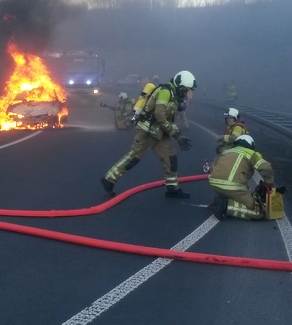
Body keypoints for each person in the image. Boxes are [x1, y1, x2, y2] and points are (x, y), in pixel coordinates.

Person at [100, 70, 196, 198]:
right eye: (184, 90)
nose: (185, 94)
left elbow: (168, 120)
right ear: (179, 86)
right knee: (134, 157)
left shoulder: (173, 97)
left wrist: (178, 135)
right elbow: (159, 116)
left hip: (159, 133)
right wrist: (176, 135)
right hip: (147, 132)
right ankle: (109, 179)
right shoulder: (165, 92)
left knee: (171, 158)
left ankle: (172, 187)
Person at [208, 135, 283, 220]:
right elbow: (266, 168)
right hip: (232, 186)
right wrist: (269, 183)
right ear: (251, 145)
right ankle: (225, 206)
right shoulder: (251, 153)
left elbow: (212, 167)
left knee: (237, 193)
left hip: (214, 184)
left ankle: (226, 199)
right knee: (258, 211)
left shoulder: (226, 152)